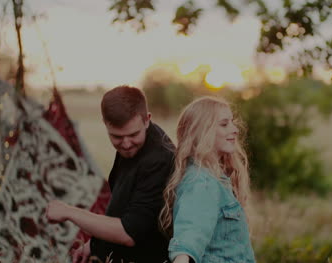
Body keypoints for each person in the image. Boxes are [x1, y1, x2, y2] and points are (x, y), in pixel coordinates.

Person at [46, 85, 175, 263]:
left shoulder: (158, 160)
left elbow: (129, 233)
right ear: (105, 124)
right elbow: (123, 205)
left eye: (133, 134)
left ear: (147, 120)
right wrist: (95, 244)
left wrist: (69, 212)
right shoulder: (134, 146)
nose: (127, 144)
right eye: (117, 137)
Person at [159, 96, 256, 263]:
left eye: (232, 122)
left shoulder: (214, 179)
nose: (235, 130)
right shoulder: (201, 182)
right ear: (202, 131)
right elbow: (188, 240)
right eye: (224, 124)